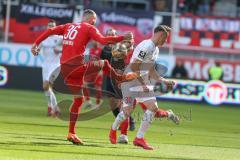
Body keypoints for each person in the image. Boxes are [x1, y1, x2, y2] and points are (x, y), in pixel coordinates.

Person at [31, 9, 138, 145]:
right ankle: (119, 78)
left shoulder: (68, 26)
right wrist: (122, 37)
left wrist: (35, 44)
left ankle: (71, 133)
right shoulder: (88, 27)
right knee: (104, 63)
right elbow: (103, 40)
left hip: (65, 68)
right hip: (75, 66)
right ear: (91, 19)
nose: (94, 23)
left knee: (79, 100)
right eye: (94, 21)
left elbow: (50, 31)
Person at [109, 25, 180, 150]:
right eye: (166, 38)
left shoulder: (155, 49)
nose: (166, 41)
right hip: (131, 79)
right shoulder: (146, 46)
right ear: (160, 35)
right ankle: (113, 129)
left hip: (142, 80)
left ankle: (139, 138)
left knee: (153, 108)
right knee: (127, 112)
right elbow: (135, 66)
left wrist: (163, 80)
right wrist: (142, 84)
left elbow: (150, 69)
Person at [39, 20, 62, 117]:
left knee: (46, 86)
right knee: (47, 88)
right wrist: (35, 50)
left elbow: (67, 48)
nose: (51, 27)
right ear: (47, 27)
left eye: (53, 26)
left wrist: (60, 50)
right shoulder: (43, 38)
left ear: (56, 27)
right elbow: (37, 48)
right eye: (49, 26)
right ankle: (51, 107)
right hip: (45, 66)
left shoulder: (60, 38)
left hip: (55, 65)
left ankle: (54, 107)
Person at [83, 41, 103, 108]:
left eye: (96, 40)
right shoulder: (90, 50)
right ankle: (88, 102)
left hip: (98, 71)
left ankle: (98, 104)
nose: (95, 42)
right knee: (84, 84)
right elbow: (87, 60)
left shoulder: (101, 50)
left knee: (97, 88)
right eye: (94, 40)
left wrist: (101, 70)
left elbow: (104, 61)